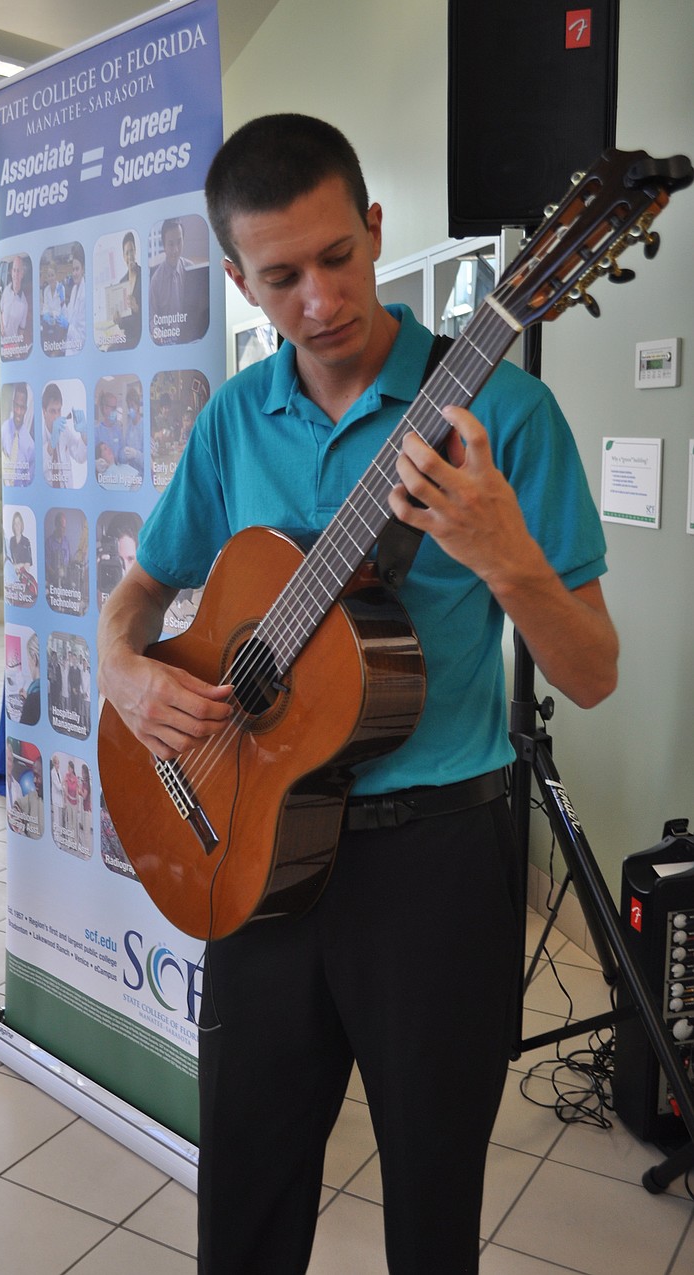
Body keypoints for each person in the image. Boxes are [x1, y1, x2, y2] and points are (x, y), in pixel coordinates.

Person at [96, 114, 619, 1275]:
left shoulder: (507, 419)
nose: (320, 299)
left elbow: (590, 672)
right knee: (246, 1190)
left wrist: (503, 555)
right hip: (255, 851)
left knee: (432, 1200)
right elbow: (132, 604)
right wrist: (127, 676)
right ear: (237, 279)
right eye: (280, 277)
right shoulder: (236, 416)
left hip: (433, 867)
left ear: (376, 228)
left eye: (338, 256)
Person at [1, 383, 35, 486]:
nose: (19, 412)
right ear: (13, 404)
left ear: (25, 409)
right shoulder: (3, 429)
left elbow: (29, 482)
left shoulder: (30, 446)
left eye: (22, 407)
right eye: (16, 406)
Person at [114, 231, 142, 348]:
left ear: (135, 251)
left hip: (141, 336)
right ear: (123, 256)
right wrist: (119, 321)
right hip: (128, 337)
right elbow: (123, 324)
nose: (130, 256)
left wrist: (136, 308)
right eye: (126, 253)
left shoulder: (144, 276)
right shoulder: (122, 283)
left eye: (131, 251)